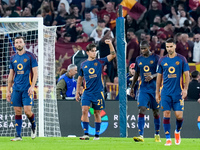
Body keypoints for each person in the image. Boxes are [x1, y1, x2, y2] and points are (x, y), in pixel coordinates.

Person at [75, 40, 116, 140]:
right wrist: (77, 92)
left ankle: (97, 135)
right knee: (84, 110)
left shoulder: (100, 61)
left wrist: (110, 44)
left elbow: (113, 55)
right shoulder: (83, 64)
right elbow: (80, 78)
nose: (94, 52)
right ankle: (86, 134)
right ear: (88, 52)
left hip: (98, 92)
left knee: (97, 113)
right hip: (87, 92)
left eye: (95, 51)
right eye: (92, 51)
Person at [156, 38, 190, 146]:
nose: (169, 49)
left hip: (178, 92)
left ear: (175, 46)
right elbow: (158, 78)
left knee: (179, 116)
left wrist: (185, 89)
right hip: (165, 92)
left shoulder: (181, 59)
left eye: (171, 46)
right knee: (166, 114)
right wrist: (157, 93)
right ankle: (168, 139)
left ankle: (177, 132)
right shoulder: (162, 60)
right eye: (167, 47)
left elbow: (187, 75)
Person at [6, 36, 38, 141]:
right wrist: (8, 90)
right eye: (17, 42)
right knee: (17, 111)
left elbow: (35, 73)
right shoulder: (12, 58)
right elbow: (11, 75)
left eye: (20, 42)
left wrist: (32, 86)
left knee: (27, 111)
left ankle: (33, 125)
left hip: (27, 88)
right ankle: (18, 136)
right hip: (16, 89)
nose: (19, 44)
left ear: (24, 44)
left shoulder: (30, 56)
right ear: (14, 45)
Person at [130, 40, 161, 142]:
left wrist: (153, 76)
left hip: (154, 89)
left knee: (156, 112)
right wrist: (132, 87)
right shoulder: (139, 59)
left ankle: (157, 134)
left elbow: (162, 72)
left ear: (149, 47)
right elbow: (136, 74)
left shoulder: (156, 58)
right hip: (143, 88)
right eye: (141, 49)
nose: (143, 50)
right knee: (142, 108)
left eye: (144, 48)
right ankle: (141, 135)